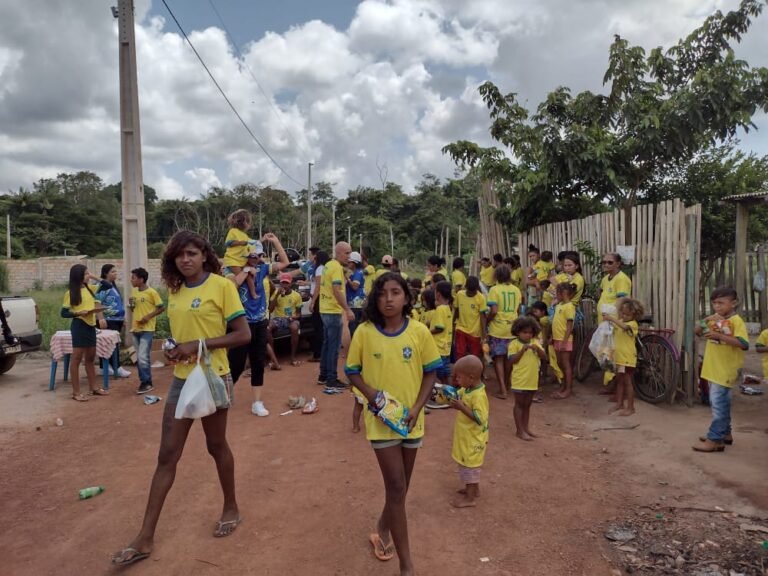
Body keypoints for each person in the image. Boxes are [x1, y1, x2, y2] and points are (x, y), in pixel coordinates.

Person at [111, 231, 250, 567]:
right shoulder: (174, 291)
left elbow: (243, 334)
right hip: (182, 380)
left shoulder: (222, 286)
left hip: (214, 378)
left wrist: (198, 346)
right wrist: (176, 348)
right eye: (179, 256)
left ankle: (231, 506)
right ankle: (145, 536)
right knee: (166, 455)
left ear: (204, 255)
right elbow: (180, 335)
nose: (185, 260)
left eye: (191, 253)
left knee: (216, 446)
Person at [344, 273, 441, 575]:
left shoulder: (420, 332)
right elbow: (352, 370)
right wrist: (370, 394)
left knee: (402, 488)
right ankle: (407, 565)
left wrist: (416, 408)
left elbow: (430, 373)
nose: (389, 299)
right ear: (375, 298)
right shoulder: (365, 331)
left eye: (396, 292)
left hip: (412, 421)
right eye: (383, 293)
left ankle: (383, 527)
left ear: (407, 298)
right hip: (381, 421)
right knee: (397, 485)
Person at [227, 233, 291, 417]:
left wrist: (276, 242)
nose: (257, 259)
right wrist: (246, 270)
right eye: (253, 256)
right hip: (241, 324)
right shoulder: (233, 273)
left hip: (260, 321)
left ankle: (257, 402)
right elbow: (234, 285)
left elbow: (285, 263)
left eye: (259, 256)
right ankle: (225, 393)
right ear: (246, 256)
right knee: (236, 364)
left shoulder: (263, 269)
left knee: (258, 361)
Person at [693, 286, 749, 452]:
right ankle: (725, 434)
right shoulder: (715, 319)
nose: (717, 306)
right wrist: (706, 320)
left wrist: (720, 336)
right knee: (722, 402)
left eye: (721, 303)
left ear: (734, 303)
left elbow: (744, 344)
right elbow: (697, 332)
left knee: (718, 405)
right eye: (715, 303)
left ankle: (715, 439)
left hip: (725, 369)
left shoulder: (736, 321)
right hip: (713, 368)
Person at [60, 264, 109, 402]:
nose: (89, 275)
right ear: (79, 276)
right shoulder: (70, 293)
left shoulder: (90, 289)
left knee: (90, 358)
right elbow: (63, 312)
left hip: (91, 326)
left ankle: (93, 388)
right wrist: (77, 313)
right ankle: (76, 392)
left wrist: (93, 276)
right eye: (86, 273)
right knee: (76, 359)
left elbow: (107, 285)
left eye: (89, 273)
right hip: (79, 326)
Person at [448, 355, 489, 508]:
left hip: (474, 439)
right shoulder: (467, 389)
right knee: (466, 463)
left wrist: (461, 407)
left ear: (471, 378)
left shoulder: (479, 395)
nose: (457, 380)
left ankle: (470, 499)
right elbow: (458, 394)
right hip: (467, 437)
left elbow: (480, 418)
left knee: (470, 466)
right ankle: (473, 489)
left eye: (459, 377)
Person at [318, 242, 355, 389]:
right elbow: (336, 289)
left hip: (325, 309)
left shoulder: (329, 265)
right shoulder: (336, 267)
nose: (349, 256)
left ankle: (323, 375)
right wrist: (347, 309)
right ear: (338, 252)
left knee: (327, 344)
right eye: (346, 253)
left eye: (350, 253)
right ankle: (332, 379)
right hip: (332, 310)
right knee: (333, 346)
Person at [597, 253, 633, 392]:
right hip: (605, 321)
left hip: (614, 322)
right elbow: (602, 292)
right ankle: (611, 384)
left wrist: (614, 318)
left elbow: (622, 301)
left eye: (610, 262)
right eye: (604, 262)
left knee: (613, 354)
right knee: (606, 353)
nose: (606, 264)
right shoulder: (606, 279)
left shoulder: (622, 279)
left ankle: (615, 387)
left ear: (618, 264)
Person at [507, 316, 547, 440]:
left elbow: (544, 357)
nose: (528, 335)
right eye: (525, 332)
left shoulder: (535, 342)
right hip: (519, 379)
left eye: (530, 332)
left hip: (532, 379)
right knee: (519, 404)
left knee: (527, 404)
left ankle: (526, 427)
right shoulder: (513, 344)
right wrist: (522, 351)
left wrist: (538, 350)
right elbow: (512, 360)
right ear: (518, 331)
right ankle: (519, 430)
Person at [486, 264, 522, 399]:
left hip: (498, 329)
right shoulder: (516, 290)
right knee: (509, 359)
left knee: (498, 359)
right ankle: (506, 385)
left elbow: (494, 311)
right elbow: (518, 310)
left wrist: (488, 321)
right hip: (513, 329)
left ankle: (502, 389)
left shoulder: (494, 290)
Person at [603, 298, 644, 416]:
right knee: (619, 381)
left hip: (627, 359)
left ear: (634, 315)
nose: (624, 316)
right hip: (619, 358)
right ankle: (620, 403)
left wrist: (612, 319)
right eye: (623, 313)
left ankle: (631, 407)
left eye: (627, 314)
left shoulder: (632, 324)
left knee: (627, 382)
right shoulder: (620, 321)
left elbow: (624, 327)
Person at [129, 267, 165, 394]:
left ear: (141, 279)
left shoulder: (152, 292)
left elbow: (161, 308)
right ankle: (144, 380)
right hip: (135, 328)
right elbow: (133, 308)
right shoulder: (134, 292)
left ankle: (147, 382)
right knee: (140, 357)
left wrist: (148, 317)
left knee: (143, 356)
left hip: (147, 329)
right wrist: (132, 306)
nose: (131, 280)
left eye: (133, 277)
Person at [94, 264, 131, 378]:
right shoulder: (102, 285)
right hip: (108, 320)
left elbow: (117, 303)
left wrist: (122, 318)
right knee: (110, 345)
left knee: (113, 344)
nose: (115, 274)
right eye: (112, 272)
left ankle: (105, 367)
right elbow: (97, 302)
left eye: (116, 272)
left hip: (117, 319)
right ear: (105, 273)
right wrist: (101, 318)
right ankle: (116, 367)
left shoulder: (113, 286)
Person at [267, 273, 303, 368]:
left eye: (287, 283)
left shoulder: (296, 295)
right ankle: (273, 358)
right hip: (278, 318)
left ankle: (293, 357)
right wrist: (277, 295)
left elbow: (299, 314)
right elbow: (270, 310)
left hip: (290, 318)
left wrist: (293, 317)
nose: (285, 285)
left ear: (290, 284)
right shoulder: (276, 293)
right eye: (283, 283)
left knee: (294, 328)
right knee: (268, 328)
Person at [223, 209, 259, 299]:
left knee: (249, 277)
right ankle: (233, 296)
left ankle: (253, 293)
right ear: (244, 222)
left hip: (242, 262)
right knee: (241, 278)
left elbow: (251, 249)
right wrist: (241, 243)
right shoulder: (233, 231)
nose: (249, 224)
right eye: (248, 222)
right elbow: (228, 243)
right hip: (233, 260)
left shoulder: (245, 236)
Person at [551, 282, 577, 399]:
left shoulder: (569, 307)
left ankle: (568, 389)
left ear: (563, 294)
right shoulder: (559, 305)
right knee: (560, 363)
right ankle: (564, 385)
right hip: (557, 338)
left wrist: (565, 341)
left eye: (557, 293)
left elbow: (569, 326)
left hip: (564, 339)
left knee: (566, 364)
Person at [454, 276, 487, 360]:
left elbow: (483, 317)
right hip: (461, 328)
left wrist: (484, 335)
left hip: (475, 332)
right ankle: (460, 372)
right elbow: (456, 311)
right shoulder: (459, 295)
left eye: (474, 292)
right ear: (466, 287)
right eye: (469, 291)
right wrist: (453, 325)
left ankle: (474, 371)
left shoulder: (481, 298)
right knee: (460, 353)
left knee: (475, 355)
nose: (472, 293)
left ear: (477, 289)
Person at [428, 281, 454, 386]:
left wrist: (427, 332)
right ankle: (449, 394)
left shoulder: (440, 309)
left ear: (438, 294)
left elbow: (439, 328)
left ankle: (447, 395)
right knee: (446, 374)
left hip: (438, 346)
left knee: (436, 373)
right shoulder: (448, 307)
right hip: (446, 346)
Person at [308, 250, 329, 363]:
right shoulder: (324, 268)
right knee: (320, 326)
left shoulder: (320, 269)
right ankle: (319, 352)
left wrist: (313, 302)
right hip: (321, 299)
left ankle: (318, 353)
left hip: (318, 299)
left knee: (318, 327)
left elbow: (318, 287)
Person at [346, 251, 367, 335]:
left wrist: (347, 279)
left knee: (354, 327)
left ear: (354, 263)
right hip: (355, 303)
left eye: (349, 262)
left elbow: (355, 286)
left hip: (356, 304)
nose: (348, 263)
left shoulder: (358, 273)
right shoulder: (354, 272)